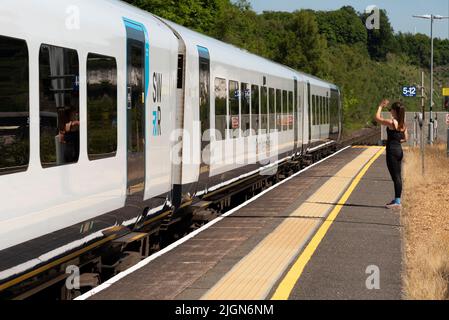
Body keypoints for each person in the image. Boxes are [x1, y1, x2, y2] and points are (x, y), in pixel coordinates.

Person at [375, 99, 408, 209]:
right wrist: (396, 140)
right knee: (398, 176)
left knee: (396, 177)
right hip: (399, 151)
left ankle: (397, 201)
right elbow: (405, 138)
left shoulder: (391, 123)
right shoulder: (403, 124)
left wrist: (380, 106)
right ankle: (397, 199)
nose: (390, 112)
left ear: (394, 111)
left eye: (391, 110)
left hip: (392, 152)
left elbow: (377, 118)